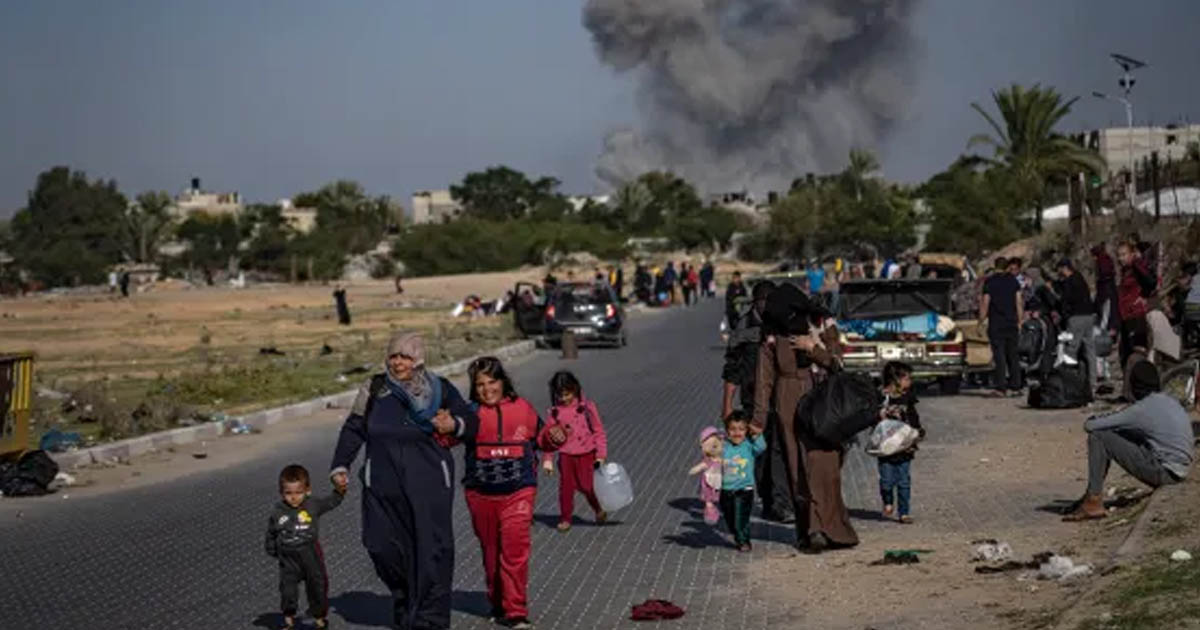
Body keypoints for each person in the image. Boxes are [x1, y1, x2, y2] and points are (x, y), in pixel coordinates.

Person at [329, 332, 479, 630]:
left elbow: (471, 422)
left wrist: (454, 424)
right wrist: (340, 465)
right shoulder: (374, 388)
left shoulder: (439, 389)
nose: (398, 363)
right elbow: (354, 427)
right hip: (382, 484)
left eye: (405, 357)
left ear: (418, 359)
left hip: (430, 484)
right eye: (394, 356)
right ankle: (406, 596)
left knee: (431, 551)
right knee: (380, 545)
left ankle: (430, 619)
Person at [461, 357, 567, 629]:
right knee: (491, 552)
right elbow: (446, 437)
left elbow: (542, 437)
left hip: (519, 491)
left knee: (515, 551)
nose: (487, 389)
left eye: (492, 382)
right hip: (480, 495)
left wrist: (555, 436)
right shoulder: (470, 413)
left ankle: (516, 612)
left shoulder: (523, 409)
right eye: (480, 385)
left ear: (503, 381)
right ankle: (497, 601)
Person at [752, 285, 850, 552]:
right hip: (788, 400)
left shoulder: (822, 324)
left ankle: (832, 529)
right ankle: (809, 531)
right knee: (797, 468)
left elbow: (839, 363)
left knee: (824, 465)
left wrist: (813, 348)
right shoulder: (772, 335)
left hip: (822, 400)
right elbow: (764, 381)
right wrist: (758, 420)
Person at [1063, 361, 1194, 521]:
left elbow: (1090, 426)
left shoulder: (1141, 409)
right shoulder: (1168, 400)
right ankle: (1091, 494)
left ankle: (1093, 501)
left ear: (1134, 386)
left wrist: (1100, 418)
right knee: (1121, 434)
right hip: (1181, 469)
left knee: (1099, 437)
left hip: (1165, 473)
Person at [721, 280, 791, 523]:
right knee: (760, 453)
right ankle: (768, 500)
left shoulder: (782, 323)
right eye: (763, 302)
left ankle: (781, 502)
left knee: (779, 450)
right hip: (752, 401)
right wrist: (727, 404)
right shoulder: (743, 327)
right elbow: (732, 368)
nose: (766, 307)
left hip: (780, 398)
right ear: (756, 302)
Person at [265, 464, 345, 630]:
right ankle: (288, 620)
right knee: (288, 590)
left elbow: (332, 502)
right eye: (288, 493)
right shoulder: (278, 511)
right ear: (281, 493)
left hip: (310, 554)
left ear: (307, 490)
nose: (293, 497)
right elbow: (271, 532)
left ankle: (319, 618)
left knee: (317, 586)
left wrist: (340, 490)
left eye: (298, 492)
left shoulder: (312, 504)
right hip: (288, 558)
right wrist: (272, 549)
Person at [541, 371, 609, 532]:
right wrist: (548, 459)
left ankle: (598, 509)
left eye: (567, 394)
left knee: (587, 486)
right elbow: (549, 438)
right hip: (566, 456)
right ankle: (565, 518)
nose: (564, 398)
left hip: (587, 453)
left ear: (575, 389)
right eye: (560, 395)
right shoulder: (554, 413)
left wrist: (601, 455)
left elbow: (599, 431)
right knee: (566, 488)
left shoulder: (586, 408)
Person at [876, 362, 924, 524]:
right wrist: (881, 414)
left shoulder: (908, 397)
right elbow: (872, 418)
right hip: (886, 446)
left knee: (904, 481)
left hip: (905, 445)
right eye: (906, 378)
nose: (909, 382)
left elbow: (914, 416)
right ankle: (887, 501)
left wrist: (918, 431)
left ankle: (904, 512)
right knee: (886, 481)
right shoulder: (882, 397)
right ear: (895, 379)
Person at [720, 410, 767, 551]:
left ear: (746, 431)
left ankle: (744, 541)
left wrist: (755, 432)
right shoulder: (724, 447)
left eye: (741, 429)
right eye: (733, 429)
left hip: (744, 490)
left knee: (741, 518)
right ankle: (738, 535)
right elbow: (711, 452)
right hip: (726, 490)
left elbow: (762, 447)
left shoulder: (749, 446)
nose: (737, 433)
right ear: (727, 431)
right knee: (730, 518)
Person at [980, 257, 1024, 396]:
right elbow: (1019, 302)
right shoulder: (1013, 281)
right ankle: (1016, 386)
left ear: (995, 266)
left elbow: (986, 302)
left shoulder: (990, 281)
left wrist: (981, 319)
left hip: (996, 323)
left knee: (999, 356)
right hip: (1011, 322)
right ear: (1006, 267)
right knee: (1013, 355)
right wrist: (1020, 321)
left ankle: (1001, 387)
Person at [1056, 259, 1097, 393]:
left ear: (1064, 268)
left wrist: (1064, 316)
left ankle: (1070, 383)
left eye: (1059, 269)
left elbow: (1065, 301)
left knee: (1071, 350)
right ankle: (1092, 383)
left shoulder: (1068, 282)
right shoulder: (1080, 277)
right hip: (1089, 316)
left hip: (1076, 317)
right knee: (1090, 351)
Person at [1117, 241, 1156, 368]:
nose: (1121, 258)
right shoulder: (1125, 270)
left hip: (1135, 316)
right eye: (1119, 255)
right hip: (1125, 316)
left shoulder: (1136, 265)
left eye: (1124, 254)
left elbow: (1151, 282)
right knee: (1124, 354)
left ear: (1132, 254)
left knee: (1136, 353)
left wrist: (1144, 296)